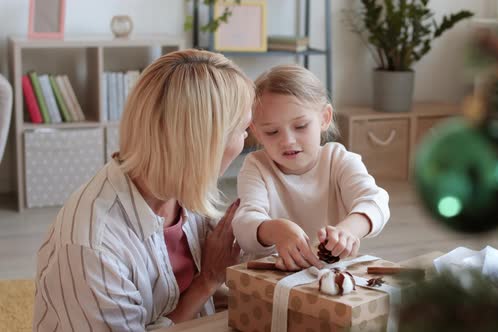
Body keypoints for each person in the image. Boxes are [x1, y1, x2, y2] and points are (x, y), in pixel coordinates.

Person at [32, 49, 254, 331]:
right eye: (242, 129)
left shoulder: (181, 188)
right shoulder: (93, 248)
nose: (246, 140)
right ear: (204, 144)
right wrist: (206, 281)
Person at [233, 64, 390, 271]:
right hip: (272, 277)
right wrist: (276, 230)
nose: (288, 141)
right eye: (272, 132)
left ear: (324, 118)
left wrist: (349, 230)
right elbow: (244, 225)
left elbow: (375, 201)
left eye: (300, 126)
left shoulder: (339, 160)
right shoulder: (257, 166)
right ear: (257, 132)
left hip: (329, 274)